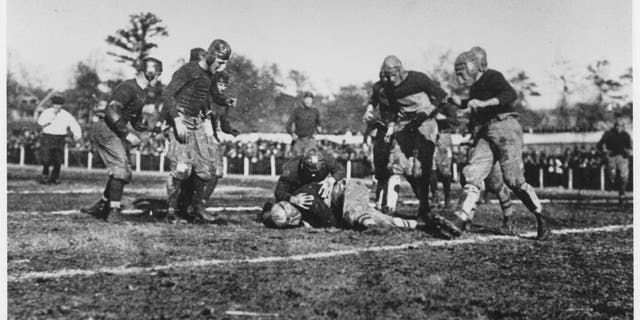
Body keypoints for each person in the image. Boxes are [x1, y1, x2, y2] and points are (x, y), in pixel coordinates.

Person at [441, 49, 550, 240]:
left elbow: (510, 94)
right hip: (486, 131)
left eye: (462, 73)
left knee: (513, 180)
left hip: (505, 127)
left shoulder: (493, 76)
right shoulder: (476, 87)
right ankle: (460, 219)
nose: (460, 78)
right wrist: (458, 102)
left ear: (472, 67)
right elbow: (474, 103)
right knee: (472, 174)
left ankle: (540, 216)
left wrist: (483, 104)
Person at [82, 57, 163, 220]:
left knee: (123, 171)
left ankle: (103, 205)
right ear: (149, 73)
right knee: (122, 170)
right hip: (106, 129)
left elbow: (137, 121)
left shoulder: (140, 92)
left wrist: (156, 128)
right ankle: (113, 212)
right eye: (157, 74)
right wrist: (127, 134)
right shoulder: (129, 87)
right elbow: (111, 111)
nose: (158, 78)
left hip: (112, 129)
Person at [259, 149, 418, 231]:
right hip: (302, 198)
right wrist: (292, 199)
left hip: (326, 192)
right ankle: (384, 220)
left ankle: (382, 220)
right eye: (310, 172)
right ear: (302, 166)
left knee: (349, 188)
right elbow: (279, 191)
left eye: (317, 172)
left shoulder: (326, 159)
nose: (313, 175)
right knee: (281, 212)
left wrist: (330, 180)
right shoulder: (292, 168)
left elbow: (340, 171)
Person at [163, 39, 231, 223]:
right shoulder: (188, 70)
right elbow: (168, 94)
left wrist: (226, 101)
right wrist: (176, 120)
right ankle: (172, 211)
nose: (221, 67)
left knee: (205, 169)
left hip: (196, 121)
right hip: (181, 118)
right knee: (181, 169)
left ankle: (196, 209)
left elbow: (210, 96)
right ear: (211, 55)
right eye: (220, 62)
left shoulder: (209, 75)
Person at [379, 55, 448, 223]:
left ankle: (425, 205)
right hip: (404, 124)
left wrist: (427, 111)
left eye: (393, 75)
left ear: (401, 70)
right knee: (395, 165)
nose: (390, 79)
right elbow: (393, 111)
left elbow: (441, 96)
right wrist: (391, 126)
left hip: (425, 121)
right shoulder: (387, 87)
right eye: (386, 75)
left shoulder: (418, 78)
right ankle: (389, 209)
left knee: (422, 168)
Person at [362, 72, 395, 212]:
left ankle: (390, 205)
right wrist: (368, 111)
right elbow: (372, 101)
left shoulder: (398, 88)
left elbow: (401, 110)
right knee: (380, 168)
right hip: (383, 126)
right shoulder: (378, 88)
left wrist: (393, 125)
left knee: (393, 167)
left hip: (397, 127)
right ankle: (379, 201)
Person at [36, 95, 82, 184]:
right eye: (55, 104)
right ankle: (45, 174)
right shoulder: (47, 112)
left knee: (58, 160)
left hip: (60, 138)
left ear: (62, 105)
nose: (57, 106)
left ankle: (55, 177)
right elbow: (40, 122)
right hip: (48, 137)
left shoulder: (65, 114)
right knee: (46, 159)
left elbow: (74, 124)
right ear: (52, 104)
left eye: (59, 105)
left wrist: (77, 134)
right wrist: (52, 117)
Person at [597, 116, 632, 206]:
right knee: (612, 175)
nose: (618, 128)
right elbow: (600, 144)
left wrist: (628, 151)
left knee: (624, 176)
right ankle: (612, 185)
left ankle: (622, 194)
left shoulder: (625, 135)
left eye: (620, 126)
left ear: (623, 127)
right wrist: (604, 150)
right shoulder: (608, 134)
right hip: (611, 157)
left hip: (622, 157)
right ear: (614, 126)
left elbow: (630, 146)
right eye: (617, 126)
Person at [286, 91, 321, 157]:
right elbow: (288, 125)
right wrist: (292, 133)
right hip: (299, 140)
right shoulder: (297, 111)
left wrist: (319, 128)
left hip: (310, 141)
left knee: (310, 160)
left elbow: (318, 123)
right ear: (303, 100)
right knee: (296, 161)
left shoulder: (315, 111)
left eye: (310, 100)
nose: (308, 101)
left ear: (312, 101)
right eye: (307, 99)